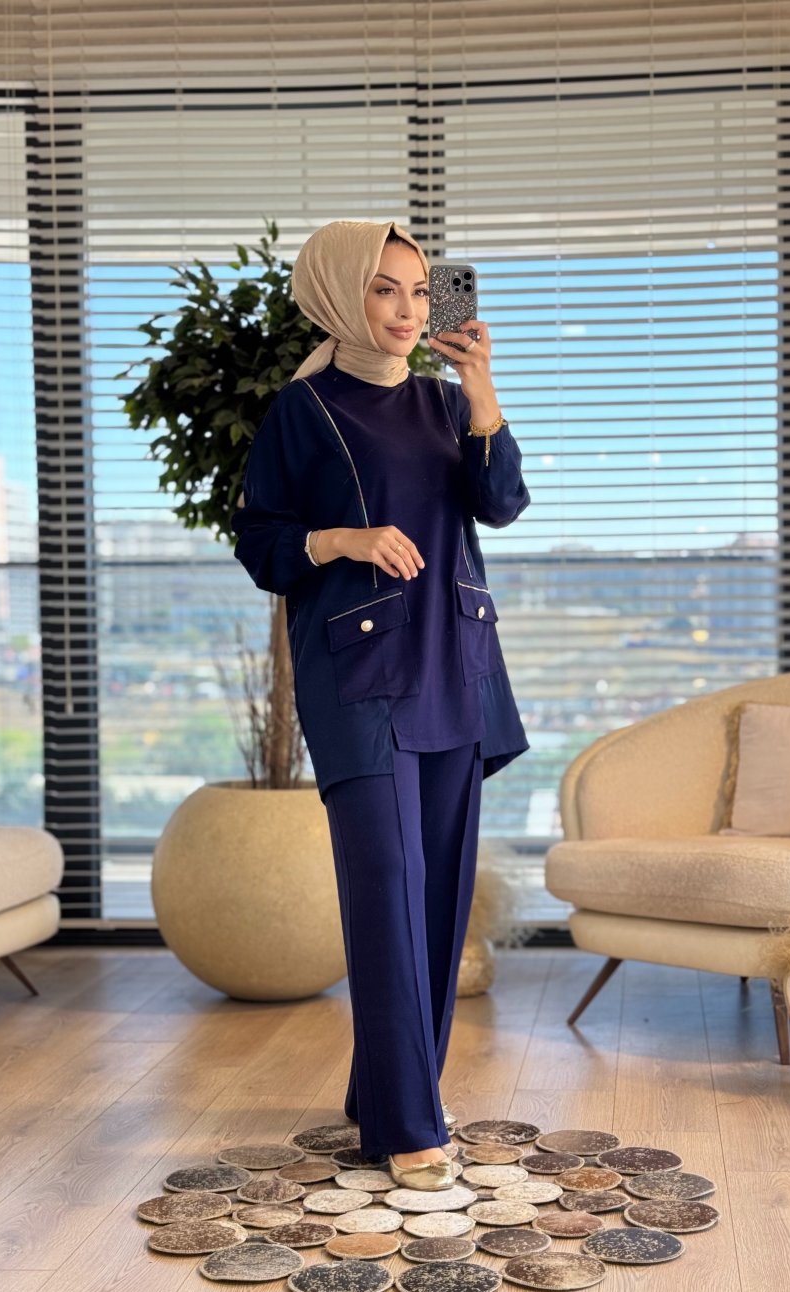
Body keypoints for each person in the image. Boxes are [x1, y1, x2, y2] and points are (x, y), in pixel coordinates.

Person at [230, 219, 531, 1191]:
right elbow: (260, 540)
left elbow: (500, 504)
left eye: (418, 290)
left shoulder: (447, 403)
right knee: (386, 888)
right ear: (338, 294)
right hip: (359, 674)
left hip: (454, 659)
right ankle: (407, 1123)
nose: (407, 310)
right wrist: (343, 539)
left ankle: (389, 1091)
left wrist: (482, 390)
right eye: (383, 289)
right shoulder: (305, 409)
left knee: (440, 892)